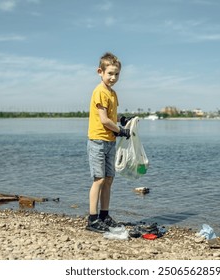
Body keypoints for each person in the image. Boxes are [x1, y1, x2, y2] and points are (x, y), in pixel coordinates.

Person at [86, 52, 130, 233]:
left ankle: (104, 215)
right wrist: (120, 130)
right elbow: (104, 120)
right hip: (97, 141)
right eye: (110, 73)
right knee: (99, 179)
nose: (113, 77)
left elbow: (111, 116)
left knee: (109, 179)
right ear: (100, 72)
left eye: (116, 74)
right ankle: (92, 219)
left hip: (110, 141)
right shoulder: (100, 92)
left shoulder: (113, 94)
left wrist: (123, 120)